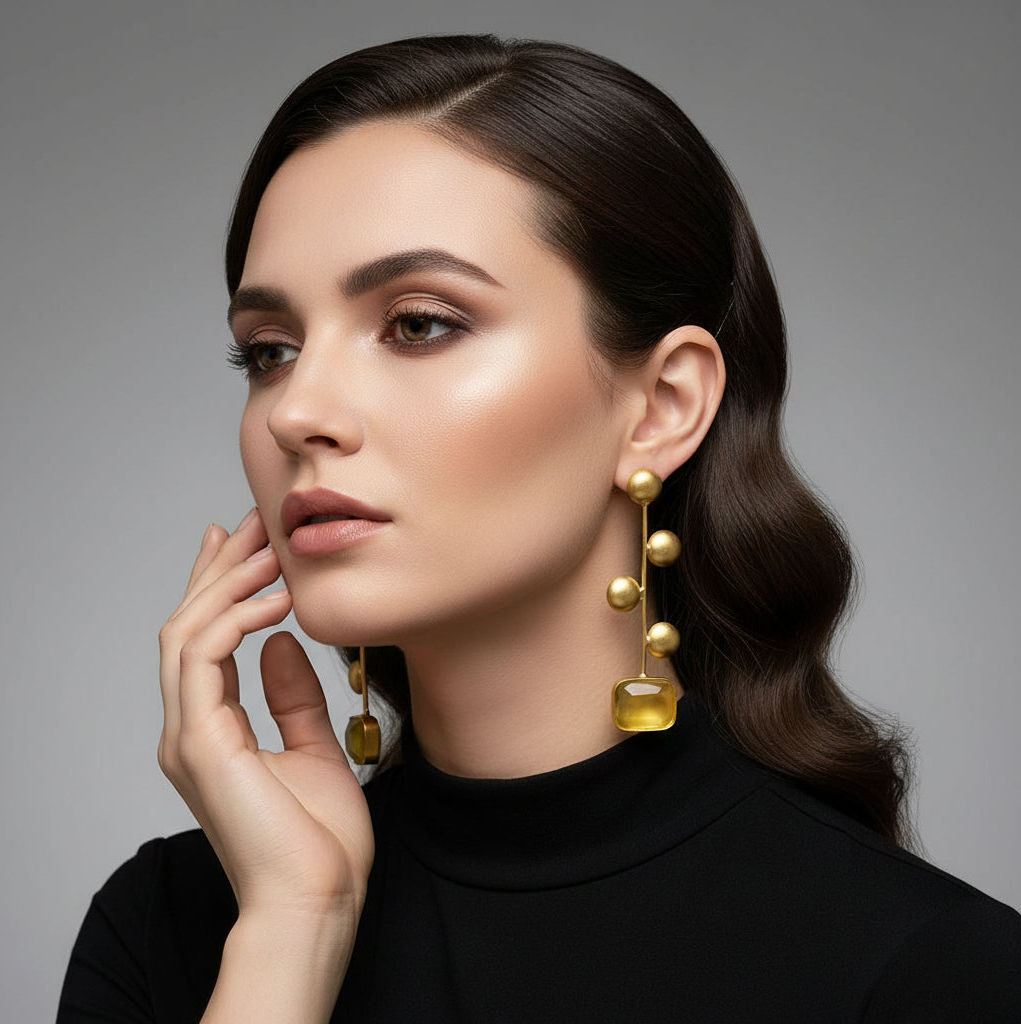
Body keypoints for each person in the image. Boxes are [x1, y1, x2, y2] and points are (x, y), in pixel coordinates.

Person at [58, 34, 1021, 1023]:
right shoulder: (174, 929)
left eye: (419, 323)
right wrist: (293, 926)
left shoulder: (929, 972)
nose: (298, 411)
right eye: (268, 350)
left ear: (660, 406)